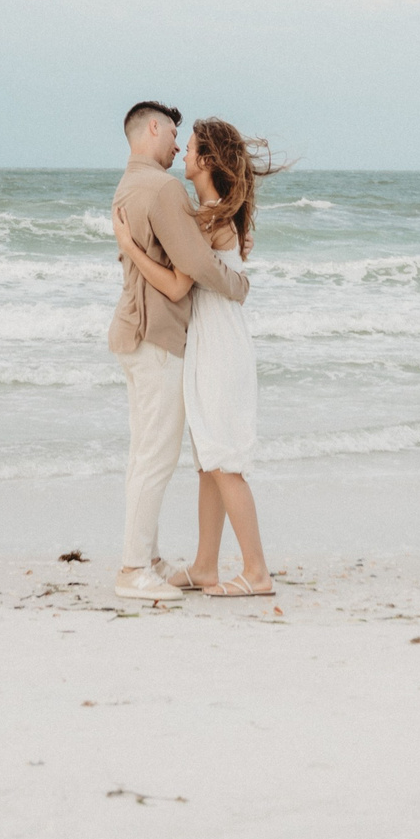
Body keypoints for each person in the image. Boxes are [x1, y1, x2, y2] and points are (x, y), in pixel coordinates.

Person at [112, 115, 286, 597]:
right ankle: (206, 565)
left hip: (218, 342)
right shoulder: (206, 213)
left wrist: (128, 246)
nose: (182, 153)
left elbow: (177, 280)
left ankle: (257, 572)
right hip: (208, 339)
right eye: (179, 142)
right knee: (210, 459)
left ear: (207, 160)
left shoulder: (207, 219)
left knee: (223, 458)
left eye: (189, 147)